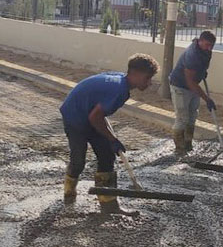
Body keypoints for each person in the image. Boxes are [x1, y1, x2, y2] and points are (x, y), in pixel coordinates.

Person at [60, 53, 159, 215]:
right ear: (135, 74)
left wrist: (112, 139)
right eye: (147, 78)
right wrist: (112, 139)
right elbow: (95, 117)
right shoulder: (119, 90)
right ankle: (69, 193)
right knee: (78, 160)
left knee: (107, 155)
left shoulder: (121, 81)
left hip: (88, 114)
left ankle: (108, 204)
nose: (149, 83)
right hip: (75, 118)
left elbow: (98, 113)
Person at [168, 31, 216, 155]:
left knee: (192, 116)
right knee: (182, 118)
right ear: (200, 41)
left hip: (193, 86)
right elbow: (190, 82)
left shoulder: (207, 51)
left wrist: (202, 71)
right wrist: (207, 99)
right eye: (207, 45)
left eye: (212, 45)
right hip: (180, 86)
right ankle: (179, 148)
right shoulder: (192, 54)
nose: (209, 48)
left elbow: (202, 66)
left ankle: (188, 143)